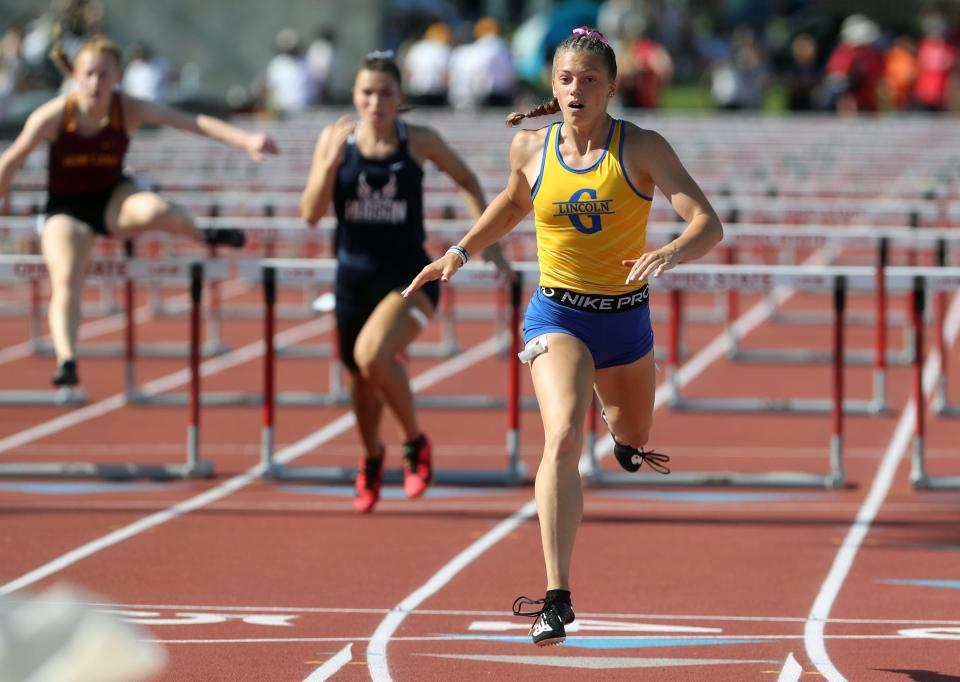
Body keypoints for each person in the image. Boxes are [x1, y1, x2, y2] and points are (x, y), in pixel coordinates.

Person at [402, 26, 722, 646]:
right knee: (562, 434)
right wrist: (459, 254)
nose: (577, 91)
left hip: (625, 319)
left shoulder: (643, 148)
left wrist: (673, 251)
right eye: (566, 80)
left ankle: (622, 429)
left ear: (611, 87)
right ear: (553, 86)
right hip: (558, 315)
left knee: (633, 436)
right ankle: (556, 597)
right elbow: (512, 204)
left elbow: (707, 221)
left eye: (590, 80)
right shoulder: (530, 148)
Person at [0, 31, 278, 388]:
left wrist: (246, 140)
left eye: (104, 74)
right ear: (75, 75)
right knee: (67, 276)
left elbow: (191, 122)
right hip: (66, 208)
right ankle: (67, 358)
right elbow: (11, 159)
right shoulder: (54, 115)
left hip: (114, 199)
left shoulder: (127, 107)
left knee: (155, 210)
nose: (95, 82)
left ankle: (201, 232)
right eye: (88, 73)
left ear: (118, 78)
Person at [300, 51, 512, 514]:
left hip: (409, 277)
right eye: (367, 93)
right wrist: (329, 163)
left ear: (400, 99)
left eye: (385, 93)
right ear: (355, 97)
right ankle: (373, 458)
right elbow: (312, 214)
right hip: (352, 279)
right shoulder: (335, 140)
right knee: (360, 381)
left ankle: (414, 443)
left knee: (374, 356)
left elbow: (467, 177)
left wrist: (484, 241)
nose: (376, 102)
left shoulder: (418, 141)